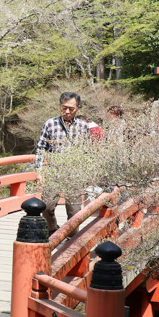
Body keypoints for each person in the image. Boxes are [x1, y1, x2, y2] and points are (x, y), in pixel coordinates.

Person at [34, 91, 91, 234]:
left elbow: (88, 152)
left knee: (74, 211)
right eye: (64, 107)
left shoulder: (83, 127)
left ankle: (71, 239)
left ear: (78, 107)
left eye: (71, 109)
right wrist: (39, 172)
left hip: (75, 173)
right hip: (54, 171)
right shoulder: (50, 124)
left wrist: (87, 174)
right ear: (60, 106)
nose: (67, 112)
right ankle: (53, 229)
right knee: (46, 206)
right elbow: (41, 149)